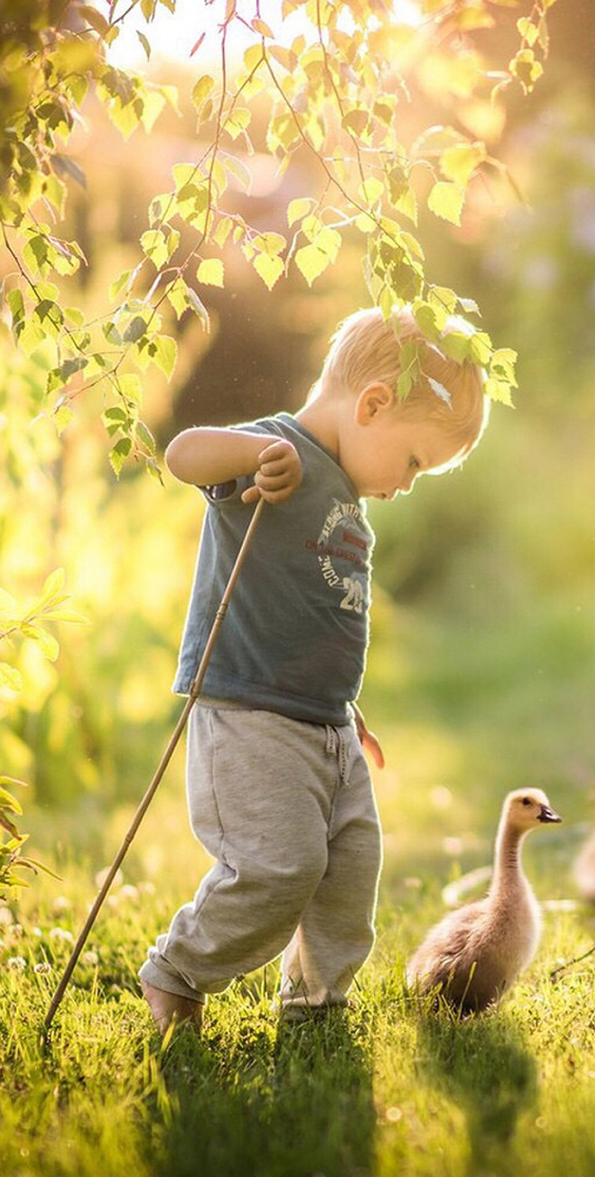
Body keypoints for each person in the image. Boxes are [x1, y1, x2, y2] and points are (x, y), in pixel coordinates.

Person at [139, 305, 489, 1034]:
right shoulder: (276, 448)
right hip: (250, 714)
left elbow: (318, 612)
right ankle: (179, 971)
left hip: (325, 723)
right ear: (372, 405)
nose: (409, 484)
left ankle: (317, 1001)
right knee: (280, 866)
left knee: (350, 869)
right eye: (417, 461)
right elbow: (183, 454)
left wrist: (344, 703)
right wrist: (250, 457)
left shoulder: (350, 499)